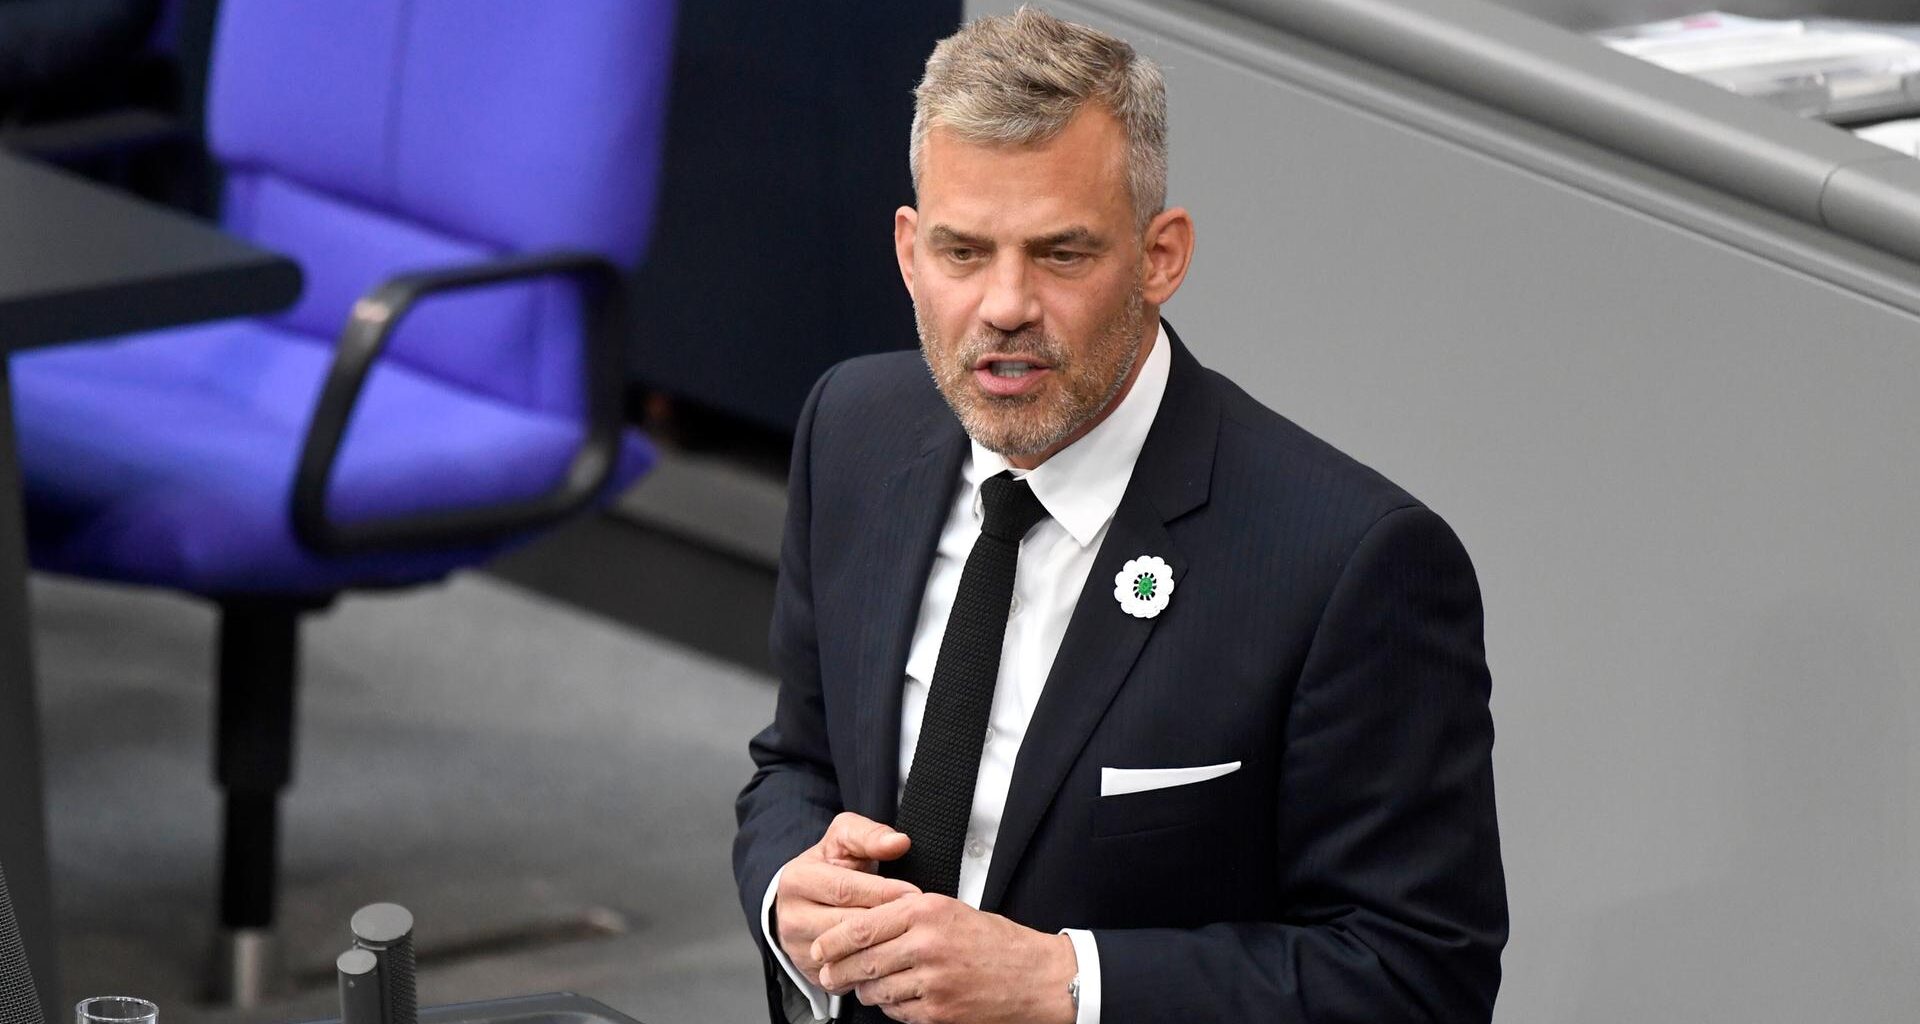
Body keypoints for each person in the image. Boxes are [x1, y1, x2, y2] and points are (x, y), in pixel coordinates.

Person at [732, 8, 1507, 1023]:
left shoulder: (1348, 563)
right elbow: (799, 760)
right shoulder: (853, 431)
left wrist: (1065, 983)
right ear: (910, 251)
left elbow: (1416, 976)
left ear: (1160, 256)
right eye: (965, 254)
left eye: (1060, 255)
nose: (1005, 305)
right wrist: (793, 889)